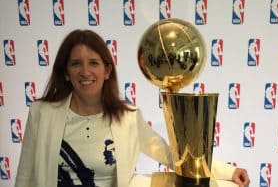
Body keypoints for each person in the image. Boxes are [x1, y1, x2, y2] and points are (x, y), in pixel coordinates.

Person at [15, 29, 250, 187]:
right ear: (66, 72)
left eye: (93, 63)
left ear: (107, 71)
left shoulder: (127, 117)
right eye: (76, 64)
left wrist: (229, 172)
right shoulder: (41, 114)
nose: (85, 72)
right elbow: (25, 176)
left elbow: (170, 155)